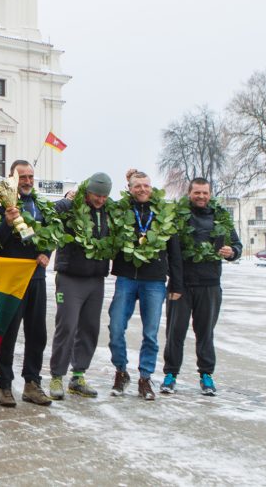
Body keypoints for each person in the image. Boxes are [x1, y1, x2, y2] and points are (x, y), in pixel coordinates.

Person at [161, 177, 242, 397]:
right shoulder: (177, 217)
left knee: (205, 332)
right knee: (175, 332)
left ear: (210, 193)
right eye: (197, 192)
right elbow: (167, 249)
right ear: (189, 193)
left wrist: (232, 252)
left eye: (205, 193)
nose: (201, 197)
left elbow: (236, 245)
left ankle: (206, 375)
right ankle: (170, 374)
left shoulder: (220, 217)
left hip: (210, 284)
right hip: (181, 285)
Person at [108, 170, 183, 401]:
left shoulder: (163, 213)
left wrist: (176, 284)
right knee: (115, 327)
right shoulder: (120, 210)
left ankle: (145, 377)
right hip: (127, 277)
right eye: (137, 186)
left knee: (150, 333)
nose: (142, 189)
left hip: (154, 280)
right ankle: (121, 371)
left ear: (152, 187)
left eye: (146, 185)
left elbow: (174, 252)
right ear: (129, 188)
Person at [0, 160, 55, 407]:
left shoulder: (41, 205)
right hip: (10, 277)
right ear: (11, 179)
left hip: (36, 276)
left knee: (37, 333)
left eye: (30, 176)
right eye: (22, 177)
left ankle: (32, 383)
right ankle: (4, 385)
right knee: (8, 333)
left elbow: (51, 233)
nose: (28, 181)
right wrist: (7, 224)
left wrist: (46, 252)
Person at [49, 172, 113, 400]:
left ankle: (78, 376)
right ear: (88, 191)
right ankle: (57, 376)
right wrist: (68, 199)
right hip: (70, 277)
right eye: (97, 195)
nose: (100, 200)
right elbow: (50, 211)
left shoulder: (109, 211)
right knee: (66, 325)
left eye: (105, 196)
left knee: (89, 328)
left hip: (96, 279)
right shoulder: (70, 208)